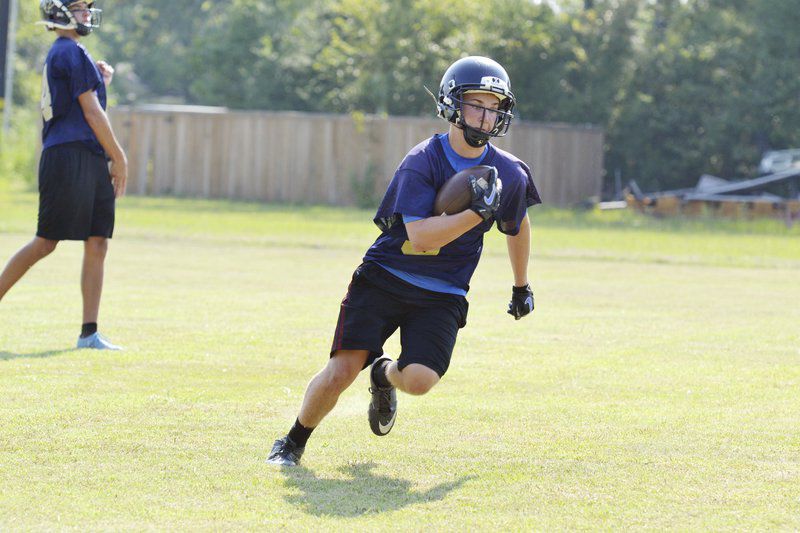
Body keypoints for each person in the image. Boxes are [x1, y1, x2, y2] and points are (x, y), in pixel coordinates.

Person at [267, 56, 541, 466]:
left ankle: (383, 376)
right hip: (386, 276)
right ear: (452, 103)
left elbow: (516, 225)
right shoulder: (423, 159)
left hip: (443, 291)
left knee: (419, 380)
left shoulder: (511, 173)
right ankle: (292, 441)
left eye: (494, 107)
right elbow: (421, 236)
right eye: (476, 104)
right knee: (342, 371)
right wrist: (475, 214)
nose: (486, 117)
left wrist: (521, 285)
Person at [0, 1, 127, 349]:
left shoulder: (75, 52)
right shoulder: (67, 50)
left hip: (88, 155)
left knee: (98, 240)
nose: (87, 14)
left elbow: (86, 103)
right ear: (60, 13)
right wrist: (120, 156)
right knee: (46, 242)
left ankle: (89, 333)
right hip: (68, 155)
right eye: (80, 8)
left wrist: (101, 82)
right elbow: (90, 112)